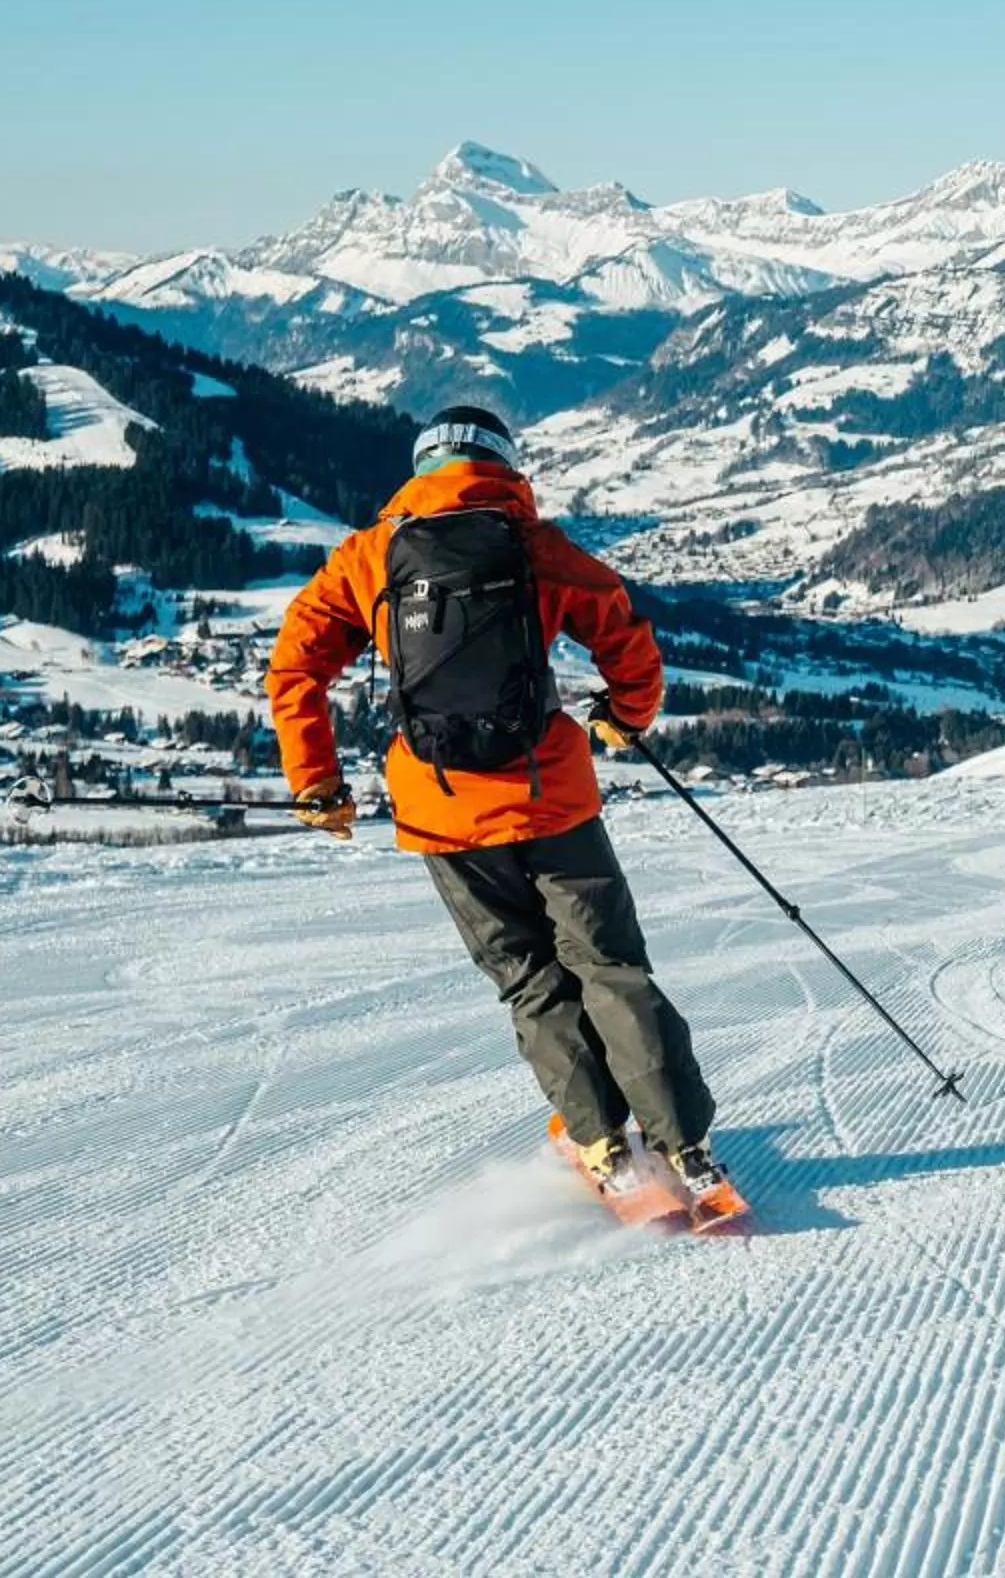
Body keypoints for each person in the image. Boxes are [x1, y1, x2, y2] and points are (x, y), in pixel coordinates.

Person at [266, 404, 731, 1205]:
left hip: (442, 812)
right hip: (554, 796)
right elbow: (624, 631)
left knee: (529, 980)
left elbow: (294, 669)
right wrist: (626, 715)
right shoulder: (536, 547)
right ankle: (685, 1148)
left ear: (422, 468)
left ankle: (601, 1146)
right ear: (505, 464)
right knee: (611, 967)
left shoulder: (369, 556)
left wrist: (317, 783)